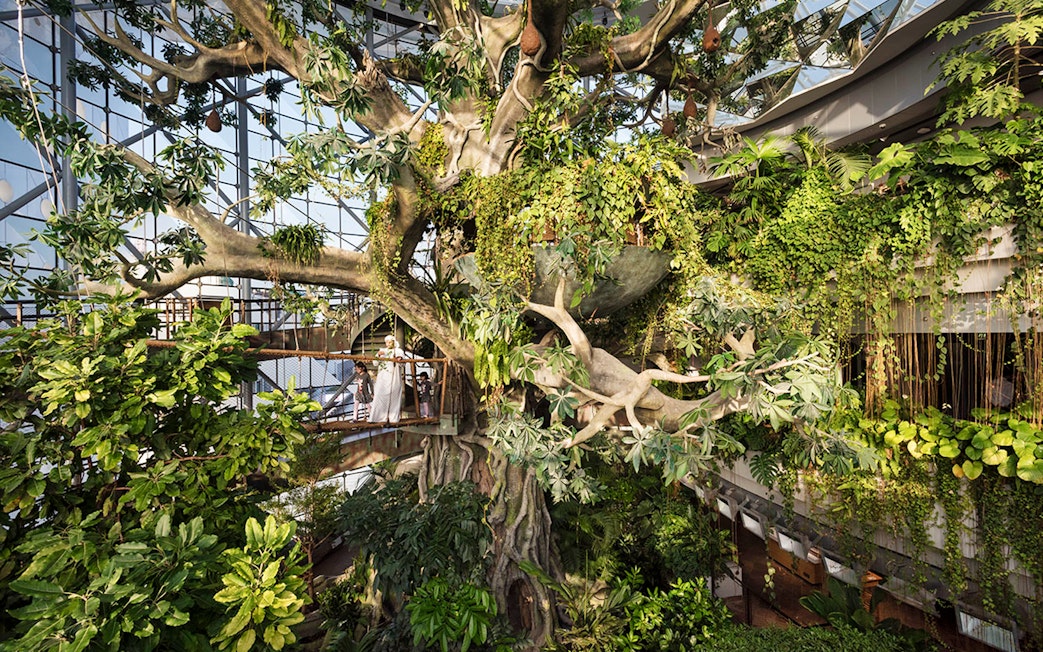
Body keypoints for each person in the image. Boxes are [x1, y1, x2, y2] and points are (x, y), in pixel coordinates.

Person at [370, 335, 405, 423]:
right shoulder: (382, 351)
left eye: (389, 342)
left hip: (394, 377)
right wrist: (378, 355)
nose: (387, 344)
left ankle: (393, 418)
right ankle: (377, 417)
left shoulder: (398, 351)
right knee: (379, 396)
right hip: (383, 378)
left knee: (394, 397)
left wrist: (399, 358)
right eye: (386, 342)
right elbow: (375, 363)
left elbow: (401, 361)